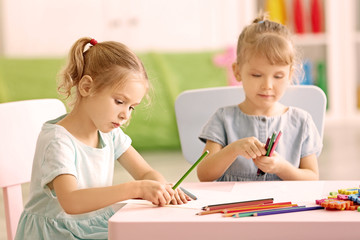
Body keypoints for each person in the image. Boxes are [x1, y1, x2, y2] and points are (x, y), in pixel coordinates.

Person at [15, 37, 190, 240]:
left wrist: (162, 188)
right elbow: (72, 202)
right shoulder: (58, 141)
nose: (126, 114)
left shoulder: (110, 134)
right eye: (119, 101)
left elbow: (145, 172)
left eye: (131, 107)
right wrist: (136, 189)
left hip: (90, 226)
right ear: (87, 87)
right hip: (55, 233)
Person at [197, 14, 322, 182]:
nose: (267, 85)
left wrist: (281, 167)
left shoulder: (302, 121)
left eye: (278, 76)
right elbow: (204, 175)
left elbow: (312, 178)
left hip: (284, 206)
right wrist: (233, 149)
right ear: (237, 71)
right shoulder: (223, 118)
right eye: (257, 75)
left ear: (290, 75)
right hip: (233, 206)